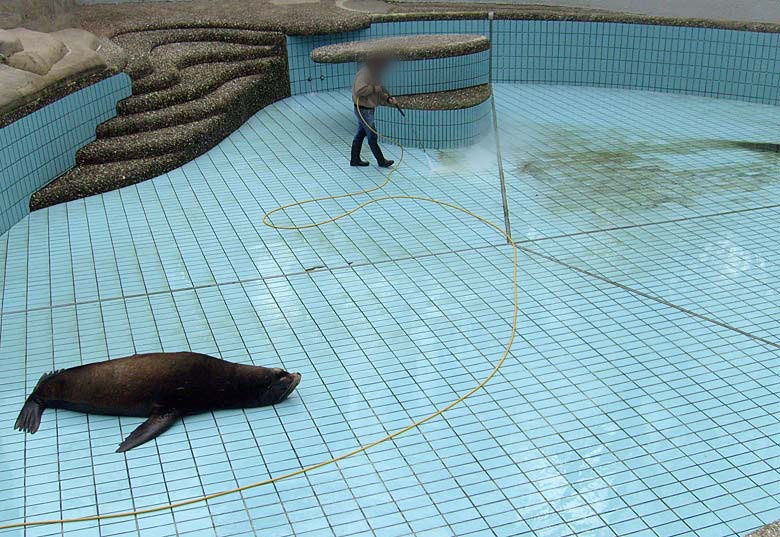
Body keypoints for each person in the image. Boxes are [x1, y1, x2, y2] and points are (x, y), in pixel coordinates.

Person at [351, 56, 397, 168]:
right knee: (372, 135)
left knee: (360, 134)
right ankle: (381, 161)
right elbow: (360, 90)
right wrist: (375, 88)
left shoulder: (375, 73)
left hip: (368, 109)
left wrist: (387, 99)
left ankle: (354, 159)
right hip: (363, 109)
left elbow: (379, 90)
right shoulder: (364, 74)